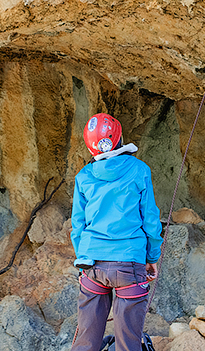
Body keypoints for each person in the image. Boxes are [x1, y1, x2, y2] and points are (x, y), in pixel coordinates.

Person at [70, 113, 163, 351]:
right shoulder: (139, 170)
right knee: (128, 343)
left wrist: (83, 257)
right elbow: (150, 220)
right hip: (129, 264)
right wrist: (151, 258)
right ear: (120, 137)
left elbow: (78, 225)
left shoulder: (84, 177)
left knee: (85, 342)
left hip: (93, 266)